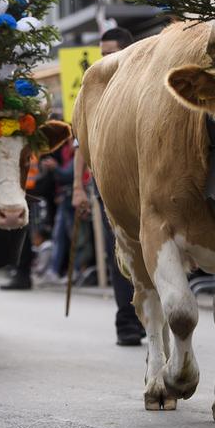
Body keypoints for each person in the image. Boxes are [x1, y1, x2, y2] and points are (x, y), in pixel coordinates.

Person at [72, 27, 147, 346]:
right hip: (113, 184)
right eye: (101, 54)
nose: (105, 60)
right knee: (124, 250)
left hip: (148, 183)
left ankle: (151, 312)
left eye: (111, 53)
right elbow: (79, 142)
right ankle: (127, 320)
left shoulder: (142, 85)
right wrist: (78, 187)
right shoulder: (96, 91)